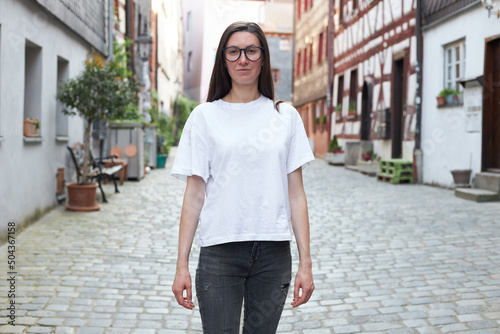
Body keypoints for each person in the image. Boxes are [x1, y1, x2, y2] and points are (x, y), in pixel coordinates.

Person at [171, 21, 315, 334]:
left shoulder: (285, 117)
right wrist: (181, 264)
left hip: (273, 255)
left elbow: (296, 193)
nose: (243, 59)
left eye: (251, 51)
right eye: (233, 52)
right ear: (223, 59)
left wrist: (306, 262)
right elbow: (194, 195)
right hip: (219, 253)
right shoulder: (204, 117)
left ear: (263, 58)